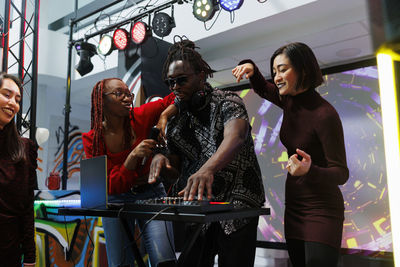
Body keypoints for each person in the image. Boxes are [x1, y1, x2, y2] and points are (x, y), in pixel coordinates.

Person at [148, 39, 266, 267]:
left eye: (181, 80)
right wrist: (162, 161)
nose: (175, 87)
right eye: (170, 82)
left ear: (201, 76)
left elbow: (236, 136)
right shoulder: (175, 122)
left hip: (238, 204)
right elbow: (175, 172)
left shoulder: (228, 101)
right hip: (202, 206)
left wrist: (207, 168)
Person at [232, 42, 349, 267]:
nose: (276, 77)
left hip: (322, 209)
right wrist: (252, 69)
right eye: (274, 71)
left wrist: (310, 170)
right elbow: (263, 88)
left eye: (283, 69)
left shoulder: (325, 115)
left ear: (303, 69)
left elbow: (341, 173)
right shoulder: (289, 100)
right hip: (295, 205)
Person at [81, 78, 177, 267]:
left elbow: (176, 96)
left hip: (152, 193)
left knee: (164, 262)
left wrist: (164, 116)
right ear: (101, 100)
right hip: (116, 200)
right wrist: (131, 159)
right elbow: (109, 186)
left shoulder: (141, 115)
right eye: (119, 94)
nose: (127, 98)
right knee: (121, 264)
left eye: (128, 94)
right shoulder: (93, 140)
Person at [0, 72, 37, 266]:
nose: (13, 103)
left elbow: (27, 206)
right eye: (6, 94)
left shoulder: (25, 148)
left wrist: (30, 255)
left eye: (17, 99)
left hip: (8, 252)